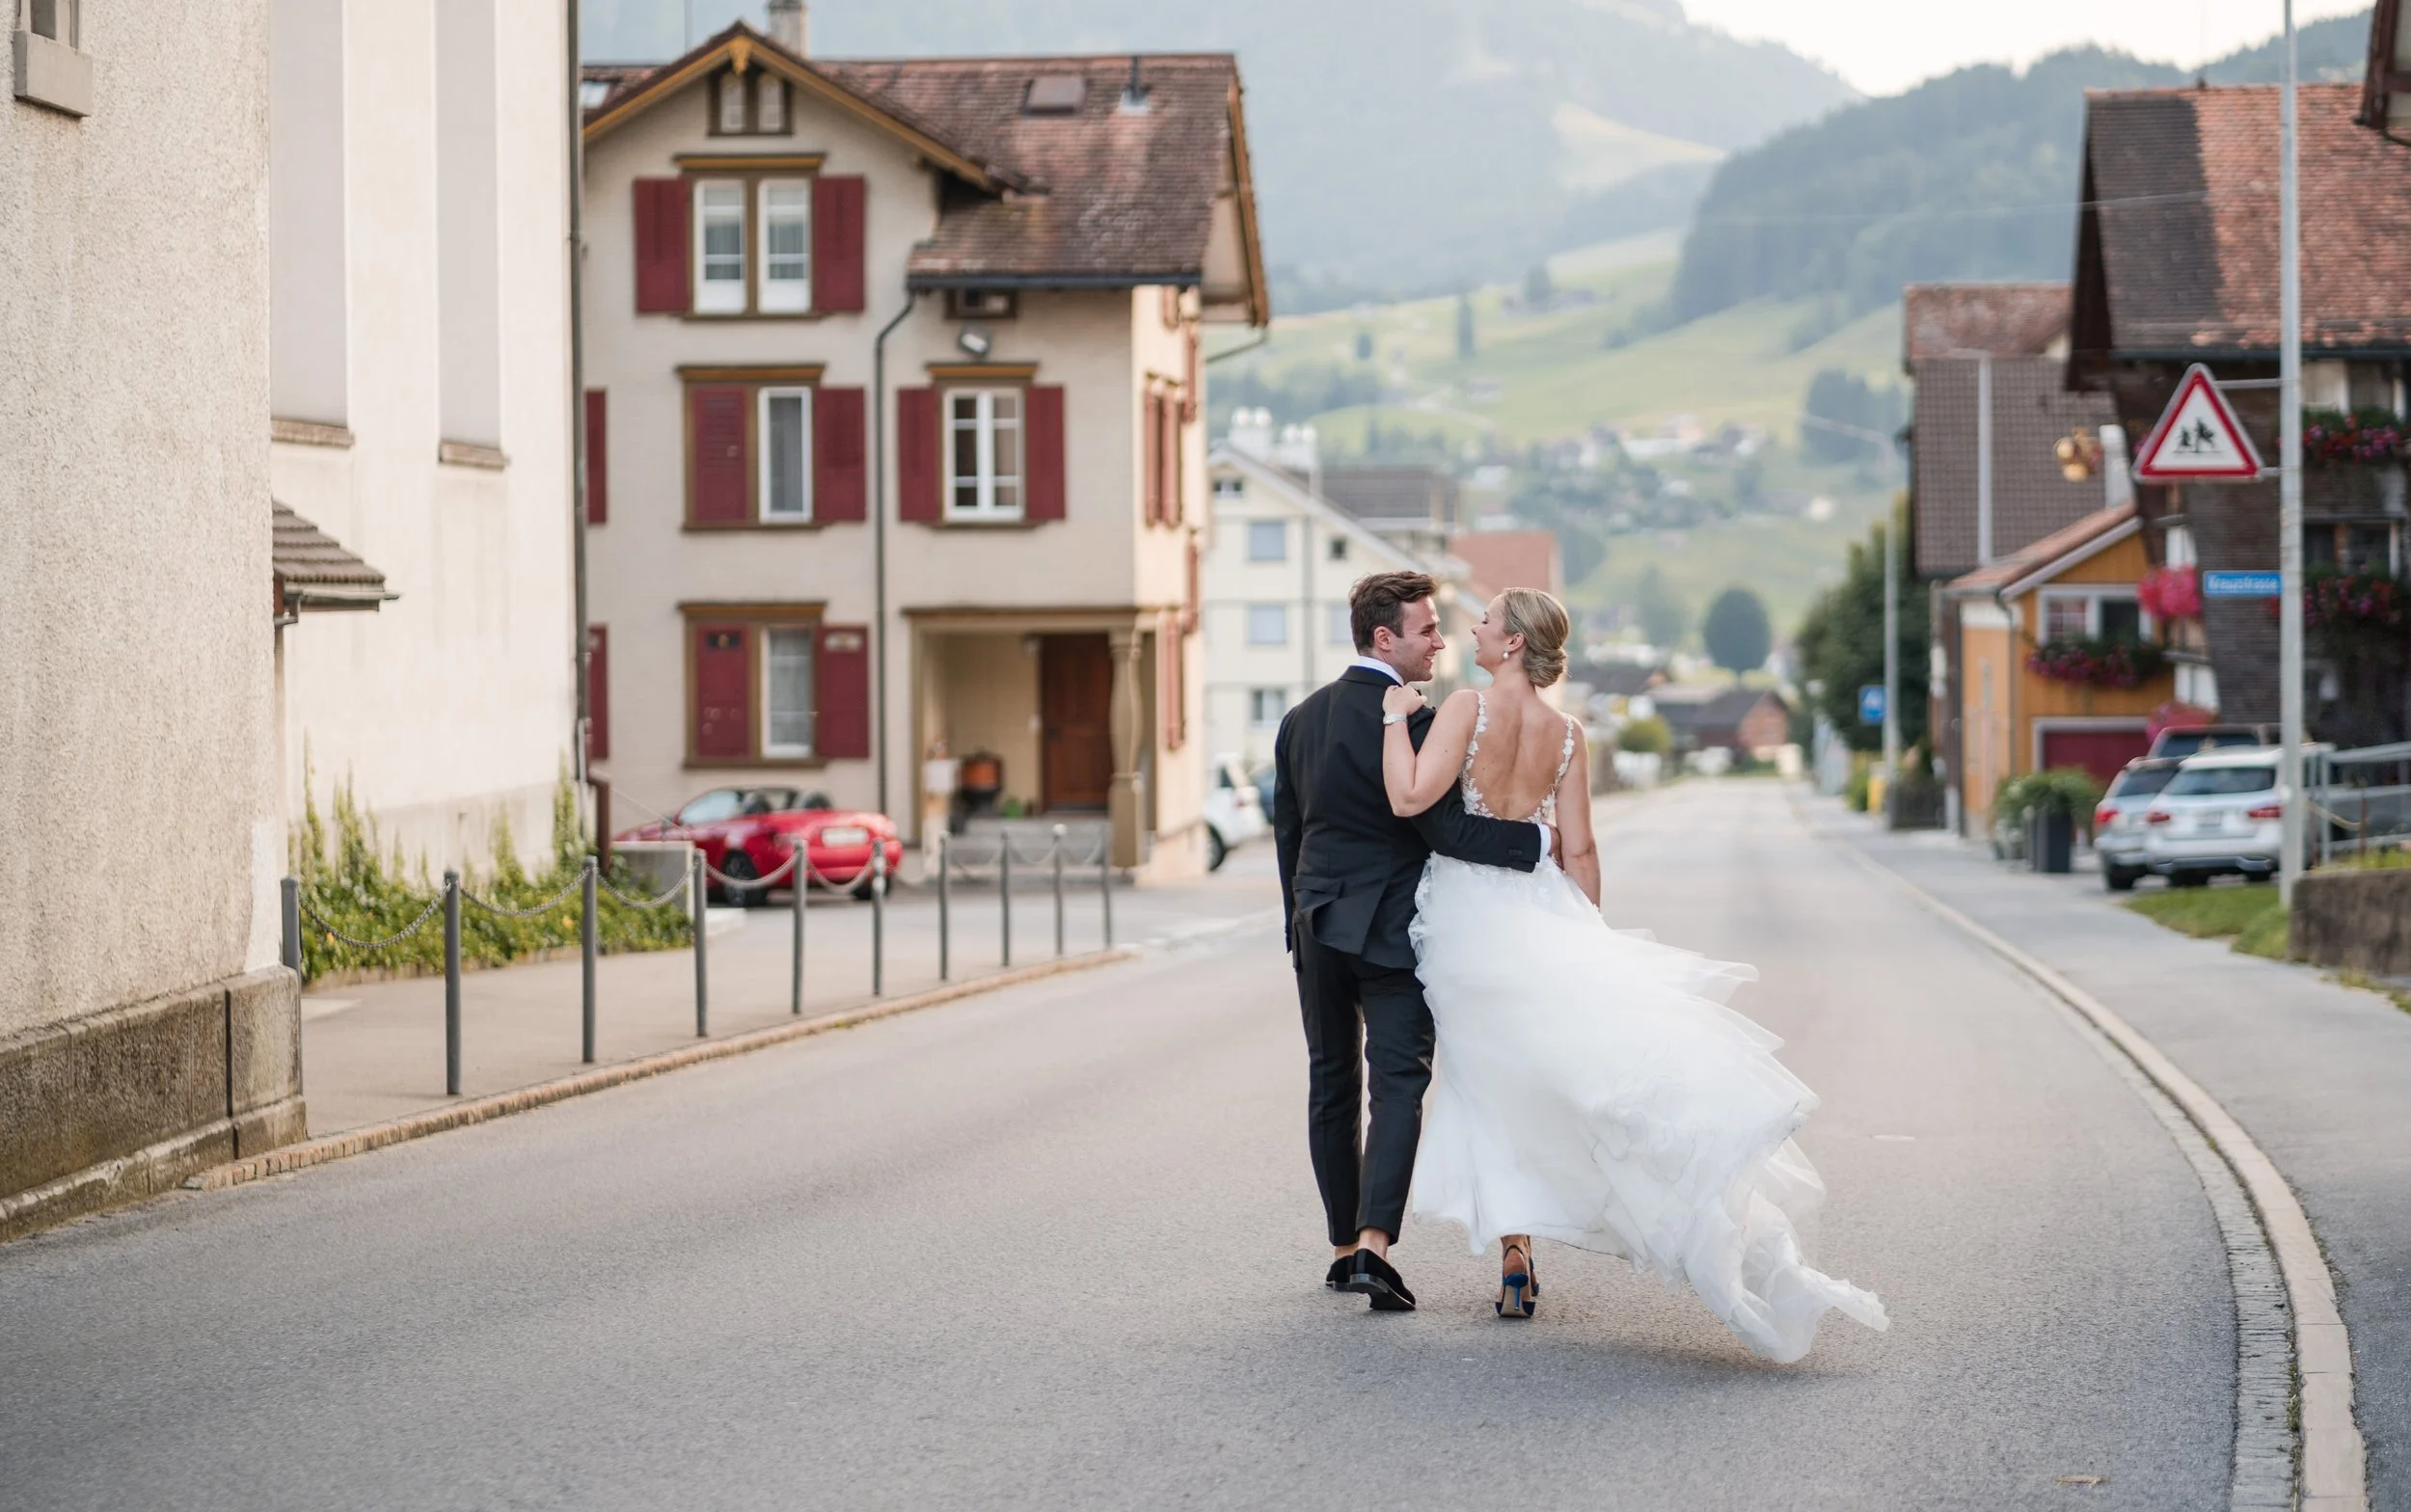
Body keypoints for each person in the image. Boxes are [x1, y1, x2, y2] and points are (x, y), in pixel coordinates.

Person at [1380, 586, 1885, 1362]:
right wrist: (1589, 942)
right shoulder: (1570, 733)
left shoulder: (1461, 711)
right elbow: (1579, 851)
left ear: (1513, 644)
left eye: (1485, 620)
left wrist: (1390, 716)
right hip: (1543, 914)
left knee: (1495, 1088)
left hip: (1469, 928)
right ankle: (1571, 1242)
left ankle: (1517, 1254)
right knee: (1560, 1081)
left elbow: (1411, 794)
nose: (1473, 629)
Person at [1271, 572, 1554, 1311]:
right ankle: (1372, 1246)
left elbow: (1289, 834)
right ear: (1383, 637)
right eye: (1426, 629)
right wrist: (1539, 842)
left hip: (1316, 923)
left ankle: (1340, 1251)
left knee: (1330, 1084)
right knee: (1399, 1086)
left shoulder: (1298, 719)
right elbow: (1447, 831)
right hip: (1394, 931)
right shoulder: (1418, 723)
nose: (1440, 641)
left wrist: (1297, 924)